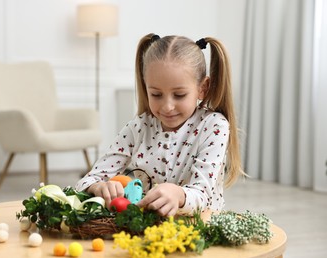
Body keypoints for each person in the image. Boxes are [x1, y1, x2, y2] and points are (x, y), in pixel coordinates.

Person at [75, 33, 245, 217]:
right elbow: (86, 181)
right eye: (156, 94)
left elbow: (202, 194)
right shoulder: (139, 127)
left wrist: (178, 194)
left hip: (201, 228)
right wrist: (98, 186)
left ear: (202, 88)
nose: (167, 106)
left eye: (179, 95)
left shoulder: (214, 126)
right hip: (149, 230)